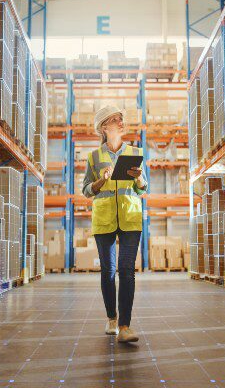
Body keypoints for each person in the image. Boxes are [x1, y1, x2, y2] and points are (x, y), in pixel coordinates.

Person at [82, 105, 147, 343]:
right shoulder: (94, 157)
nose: (121, 122)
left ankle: (125, 326)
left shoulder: (135, 152)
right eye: (115, 119)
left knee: (127, 271)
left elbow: (143, 187)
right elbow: (86, 190)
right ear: (104, 127)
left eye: (121, 119)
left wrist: (139, 177)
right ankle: (111, 318)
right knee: (108, 272)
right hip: (104, 219)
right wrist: (101, 180)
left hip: (130, 217)